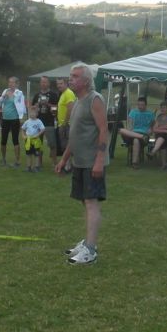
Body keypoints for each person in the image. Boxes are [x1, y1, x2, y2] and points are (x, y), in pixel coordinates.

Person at [55, 62, 108, 265]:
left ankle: (91, 251)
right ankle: (87, 242)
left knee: (91, 202)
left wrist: (99, 161)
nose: (71, 79)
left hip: (92, 162)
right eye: (71, 75)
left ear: (86, 80)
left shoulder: (95, 99)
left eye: (75, 76)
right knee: (85, 201)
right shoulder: (77, 101)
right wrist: (64, 159)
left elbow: (103, 130)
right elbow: (75, 136)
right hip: (79, 161)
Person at [0, 77, 26, 167]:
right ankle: (3, 159)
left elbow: (22, 106)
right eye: (9, 82)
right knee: (3, 140)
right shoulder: (5, 91)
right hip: (5, 119)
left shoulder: (19, 93)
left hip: (14, 119)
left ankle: (17, 161)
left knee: (15, 140)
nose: (10, 84)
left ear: (17, 84)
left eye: (12, 82)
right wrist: (3, 97)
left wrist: (21, 118)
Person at [33, 76, 60, 161]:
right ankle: (39, 163)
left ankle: (54, 163)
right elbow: (32, 108)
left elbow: (57, 108)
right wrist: (36, 106)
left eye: (45, 82)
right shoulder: (37, 95)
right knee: (38, 143)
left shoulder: (53, 94)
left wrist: (48, 104)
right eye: (42, 82)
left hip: (49, 122)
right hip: (38, 122)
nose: (43, 84)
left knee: (52, 144)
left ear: (48, 83)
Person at [56, 77, 76, 159]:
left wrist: (65, 122)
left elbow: (70, 108)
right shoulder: (63, 94)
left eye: (61, 83)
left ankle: (70, 164)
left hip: (67, 124)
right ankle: (68, 163)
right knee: (65, 146)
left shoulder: (68, 93)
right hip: (63, 124)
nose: (59, 85)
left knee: (68, 145)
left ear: (66, 84)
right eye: (58, 84)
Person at [22, 105, 46, 172]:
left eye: (33, 113)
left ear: (37, 114)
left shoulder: (38, 121)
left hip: (36, 141)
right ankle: (28, 167)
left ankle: (36, 167)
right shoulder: (27, 121)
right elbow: (23, 129)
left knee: (36, 154)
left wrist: (38, 135)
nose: (32, 114)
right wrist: (23, 135)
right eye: (30, 113)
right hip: (28, 140)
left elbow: (43, 129)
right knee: (28, 154)